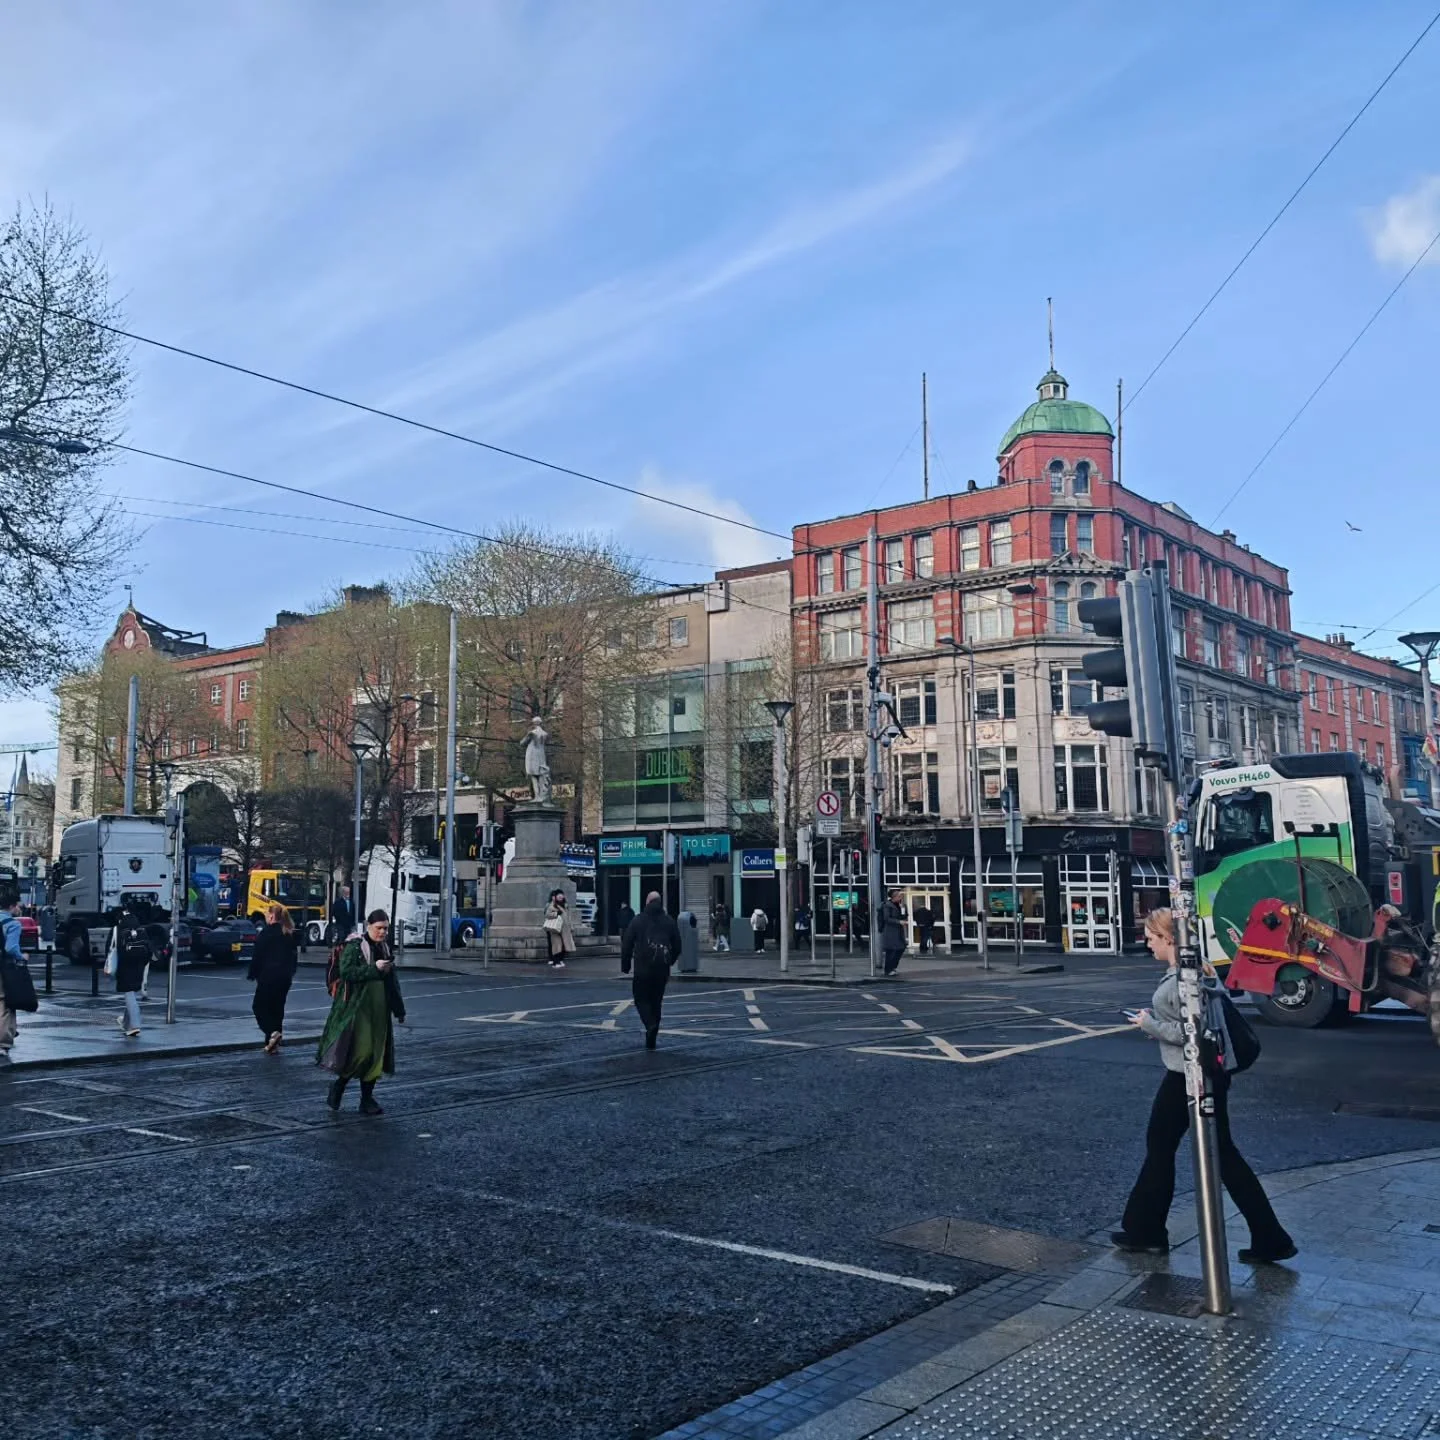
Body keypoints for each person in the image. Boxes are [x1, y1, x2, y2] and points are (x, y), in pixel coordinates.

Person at [1112, 908, 1297, 1264]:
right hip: (1204, 1074)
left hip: (1188, 1077)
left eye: (1151, 937)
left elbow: (1192, 1033)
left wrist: (1150, 1025)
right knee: (1221, 1154)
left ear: (1169, 938)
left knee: (1162, 1149)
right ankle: (1270, 1237)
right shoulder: (1197, 972)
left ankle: (1146, 1232)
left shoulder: (1185, 978)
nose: (1147, 943)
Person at [317, 908, 404, 1116]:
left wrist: (399, 1009)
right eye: (379, 928)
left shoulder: (384, 947)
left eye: (386, 928)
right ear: (368, 926)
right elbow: (347, 972)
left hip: (380, 1007)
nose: (382, 932)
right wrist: (374, 968)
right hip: (359, 1008)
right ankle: (339, 1086)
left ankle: (367, 1099)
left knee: (376, 1054)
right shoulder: (355, 945)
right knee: (361, 1053)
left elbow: (393, 982)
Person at [621, 892, 681, 1050]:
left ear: (647, 902)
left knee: (641, 999)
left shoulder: (638, 920)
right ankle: (652, 1036)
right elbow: (678, 945)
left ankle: (650, 1024)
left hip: (643, 968)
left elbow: (627, 943)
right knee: (656, 1001)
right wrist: (670, 961)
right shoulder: (669, 921)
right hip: (662, 969)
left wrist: (625, 965)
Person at [250, 902, 299, 1054]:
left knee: (259, 1007)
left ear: (271, 916)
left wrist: (253, 973)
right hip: (284, 978)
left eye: (266, 915)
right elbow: (293, 958)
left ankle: (271, 1033)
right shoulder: (288, 933)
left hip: (268, 976)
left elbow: (258, 956)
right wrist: (290, 973)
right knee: (277, 1009)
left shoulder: (266, 933)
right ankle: (272, 1044)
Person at [110, 899, 154, 1039]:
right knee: (131, 994)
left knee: (128, 993)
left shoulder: (118, 930)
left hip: (125, 965)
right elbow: (149, 949)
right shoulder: (141, 930)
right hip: (139, 964)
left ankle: (135, 1026)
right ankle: (125, 1022)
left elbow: (111, 950)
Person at [0, 884, 22, 1066]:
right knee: (6, 1005)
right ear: (12, 906)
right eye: (17, 905)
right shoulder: (12, 924)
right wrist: (23, 956)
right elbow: (11, 948)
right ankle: (3, 1042)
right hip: (3, 969)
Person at [543, 889, 575, 969]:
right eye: (559, 895)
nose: (561, 896)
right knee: (557, 945)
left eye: (562, 894)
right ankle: (555, 961)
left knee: (565, 945)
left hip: (565, 928)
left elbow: (568, 917)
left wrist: (571, 926)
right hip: (556, 929)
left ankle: (560, 960)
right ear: (555, 896)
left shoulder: (566, 905)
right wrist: (556, 913)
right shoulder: (552, 905)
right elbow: (547, 914)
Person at [881, 890, 906, 975]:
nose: (900, 898)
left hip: (898, 931)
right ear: (894, 897)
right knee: (890, 950)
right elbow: (886, 918)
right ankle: (888, 970)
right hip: (890, 931)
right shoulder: (887, 905)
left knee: (901, 948)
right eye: (899, 896)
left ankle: (893, 967)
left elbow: (904, 915)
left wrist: (903, 909)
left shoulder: (900, 905)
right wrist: (898, 922)